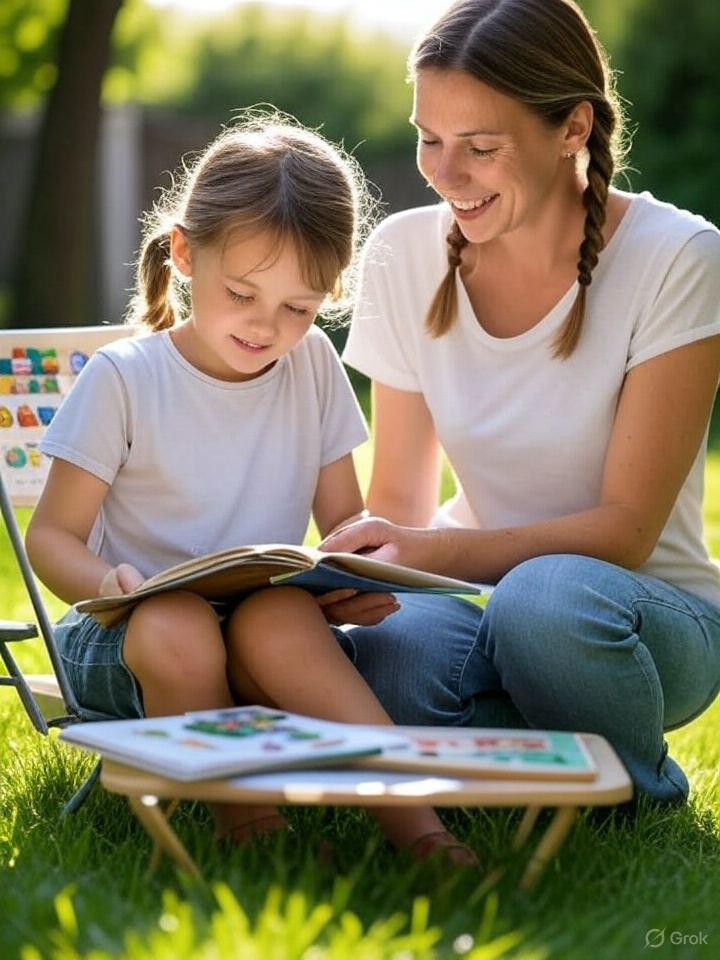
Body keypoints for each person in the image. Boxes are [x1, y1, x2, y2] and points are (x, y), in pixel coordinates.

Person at [25, 112, 477, 864]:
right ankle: (251, 835)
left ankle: (421, 831)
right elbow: (50, 538)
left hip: (258, 621)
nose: (267, 327)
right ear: (184, 255)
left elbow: (342, 529)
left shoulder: (313, 371)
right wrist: (113, 582)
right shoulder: (125, 379)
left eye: (299, 309)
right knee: (180, 624)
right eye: (242, 293)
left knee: (276, 620)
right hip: (127, 638)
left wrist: (350, 584)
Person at [322, 0, 720, 808]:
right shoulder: (403, 252)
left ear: (573, 128)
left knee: (542, 604)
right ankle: (533, 766)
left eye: (481, 148)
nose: (444, 172)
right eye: (429, 139)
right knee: (390, 652)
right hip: (486, 604)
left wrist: (429, 551)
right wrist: (370, 576)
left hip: (642, 617)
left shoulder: (679, 258)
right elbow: (399, 501)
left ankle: (633, 798)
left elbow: (627, 530)